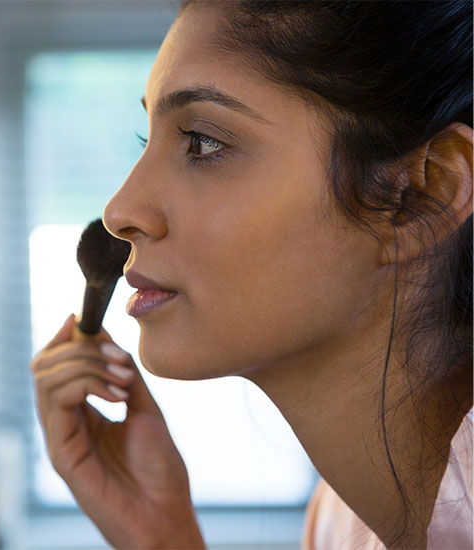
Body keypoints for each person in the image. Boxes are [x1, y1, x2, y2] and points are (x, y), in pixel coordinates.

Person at [30, 1, 473, 548]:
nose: (119, 212)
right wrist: (164, 541)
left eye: (202, 142)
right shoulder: (342, 523)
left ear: (422, 194)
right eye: (149, 142)